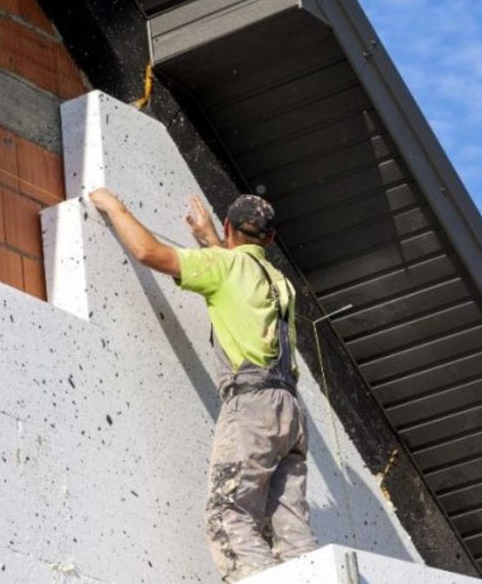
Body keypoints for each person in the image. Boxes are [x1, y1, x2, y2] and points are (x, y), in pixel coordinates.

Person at [88, 188, 318, 581]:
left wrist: (115, 206)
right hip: (290, 412)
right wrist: (211, 239)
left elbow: (149, 253)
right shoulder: (281, 282)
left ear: (228, 226)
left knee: (229, 514)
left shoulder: (225, 266)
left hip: (252, 407)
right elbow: (241, 276)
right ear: (270, 239)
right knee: (290, 528)